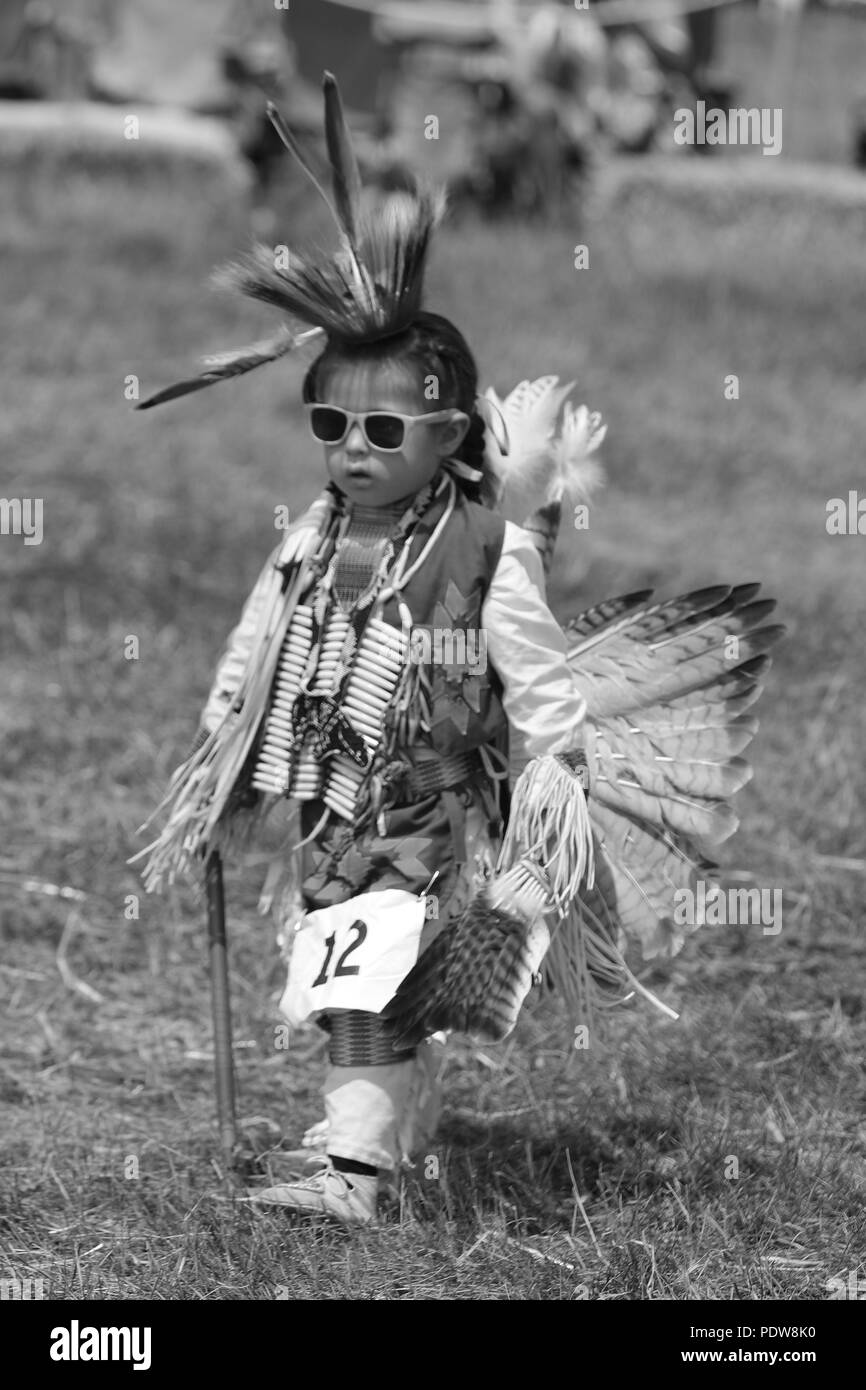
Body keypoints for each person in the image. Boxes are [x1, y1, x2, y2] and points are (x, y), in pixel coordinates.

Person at [136, 74, 781, 1227]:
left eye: (382, 429)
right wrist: (222, 726)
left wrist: (549, 788)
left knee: (365, 983)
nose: (350, 449)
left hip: (426, 813)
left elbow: (533, 680)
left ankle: (355, 1167)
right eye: (329, 423)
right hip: (332, 800)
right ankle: (374, 1130)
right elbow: (260, 633)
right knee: (352, 977)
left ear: (448, 437)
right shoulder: (312, 534)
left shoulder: (485, 554)